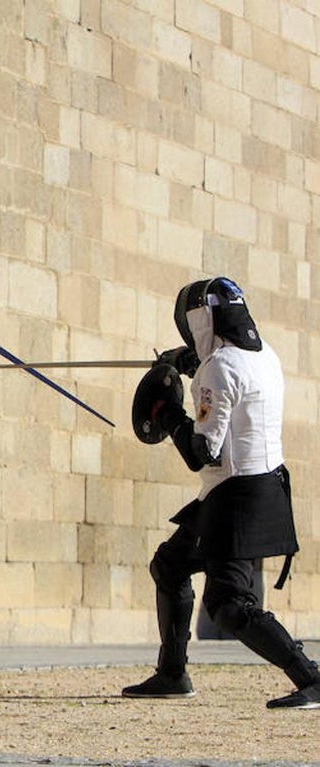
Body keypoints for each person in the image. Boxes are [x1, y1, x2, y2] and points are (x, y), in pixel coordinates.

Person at [123, 276, 320, 709]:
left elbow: (202, 452)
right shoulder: (265, 355)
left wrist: (169, 412)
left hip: (236, 500)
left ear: (202, 320)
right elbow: (230, 382)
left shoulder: (220, 367)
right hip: (253, 488)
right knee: (171, 564)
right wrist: (190, 362)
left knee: (229, 604)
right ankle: (172, 674)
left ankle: (312, 678)